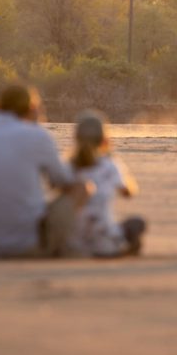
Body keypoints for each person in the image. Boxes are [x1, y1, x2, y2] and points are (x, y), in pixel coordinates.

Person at [0, 84, 87, 257]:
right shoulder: (38, 136)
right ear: (31, 108)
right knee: (82, 187)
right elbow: (63, 181)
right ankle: (61, 245)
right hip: (24, 245)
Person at [66, 110, 146, 257]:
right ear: (104, 138)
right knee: (137, 223)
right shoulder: (110, 164)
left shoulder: (68, 166)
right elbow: (128, 192)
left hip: (74, 243)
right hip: (106, 244)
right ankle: (122, 245)